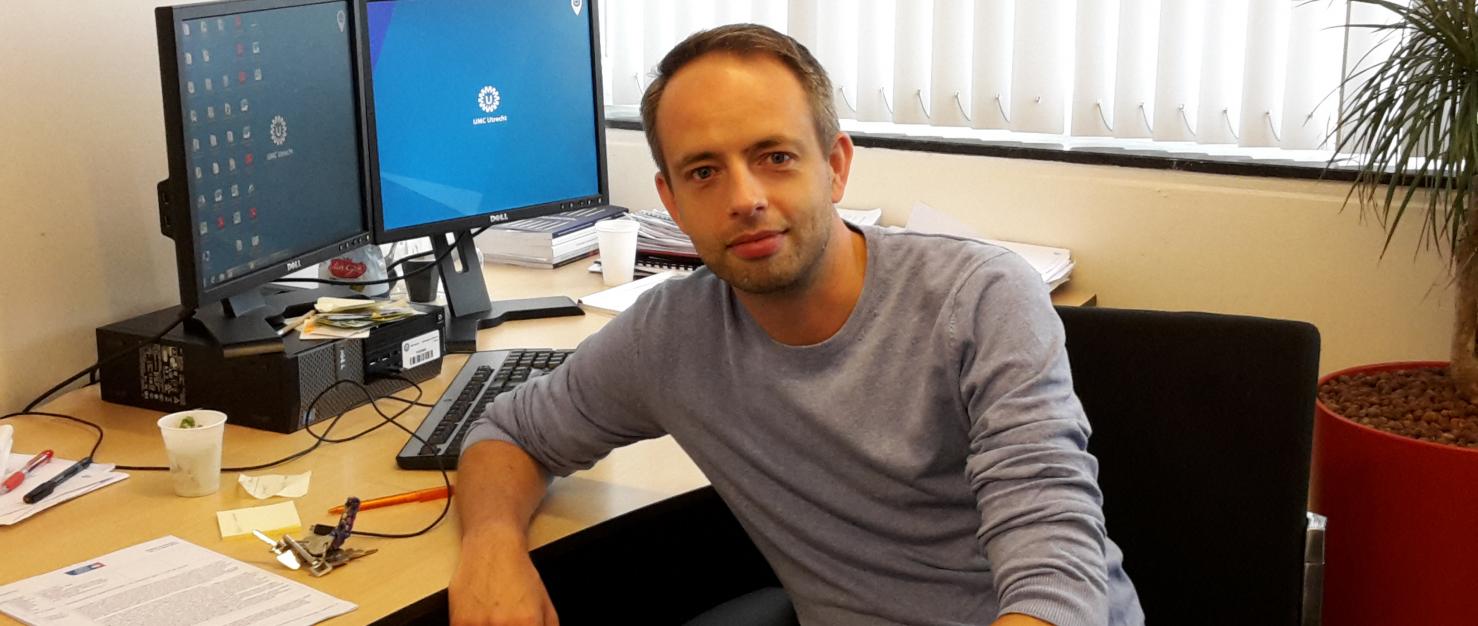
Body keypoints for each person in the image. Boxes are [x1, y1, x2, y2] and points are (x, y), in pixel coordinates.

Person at [450, 24, 1143, 626]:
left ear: (835, 166)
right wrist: (490, 546)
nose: (745, 199)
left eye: (775, 157)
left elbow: (1059, 577)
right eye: (703, 171)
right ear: (671, 200)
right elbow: (509, 433)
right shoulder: (670, 335)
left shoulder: (980, 299)